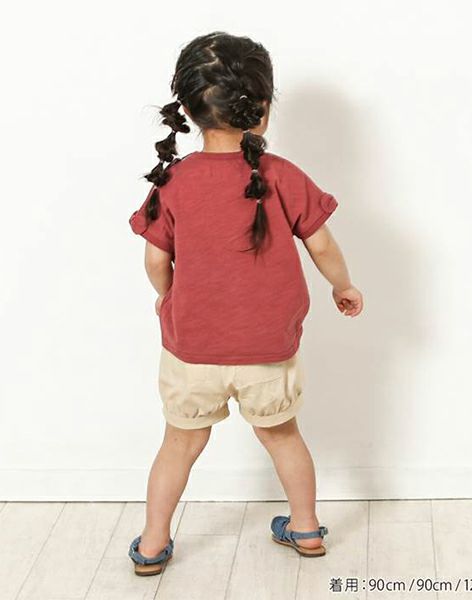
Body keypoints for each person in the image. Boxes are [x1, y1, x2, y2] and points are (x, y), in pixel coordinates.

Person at [127, 31, 363, 576]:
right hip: (268, 351)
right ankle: (306, 528)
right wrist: (343, 286)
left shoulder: (172, 181)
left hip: (192, 351)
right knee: (284, 438)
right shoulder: (282, 175)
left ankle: (153, 543)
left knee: (179, 445)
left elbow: (155, 260)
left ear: (187, 110)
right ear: (261, 108)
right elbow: (323, 245)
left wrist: (167, 297)